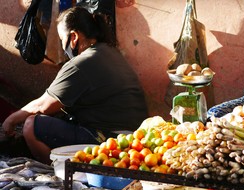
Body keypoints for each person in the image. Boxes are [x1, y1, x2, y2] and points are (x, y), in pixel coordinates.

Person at [2, 6, 148, 164]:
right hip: (134, 141)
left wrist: (10, 121)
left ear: (74, 37)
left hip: (111, 142)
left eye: (62, 40)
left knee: (31, 125)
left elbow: (44, 105)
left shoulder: (82, 62)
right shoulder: (109, 52)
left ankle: (56, 173)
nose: (63, 48)